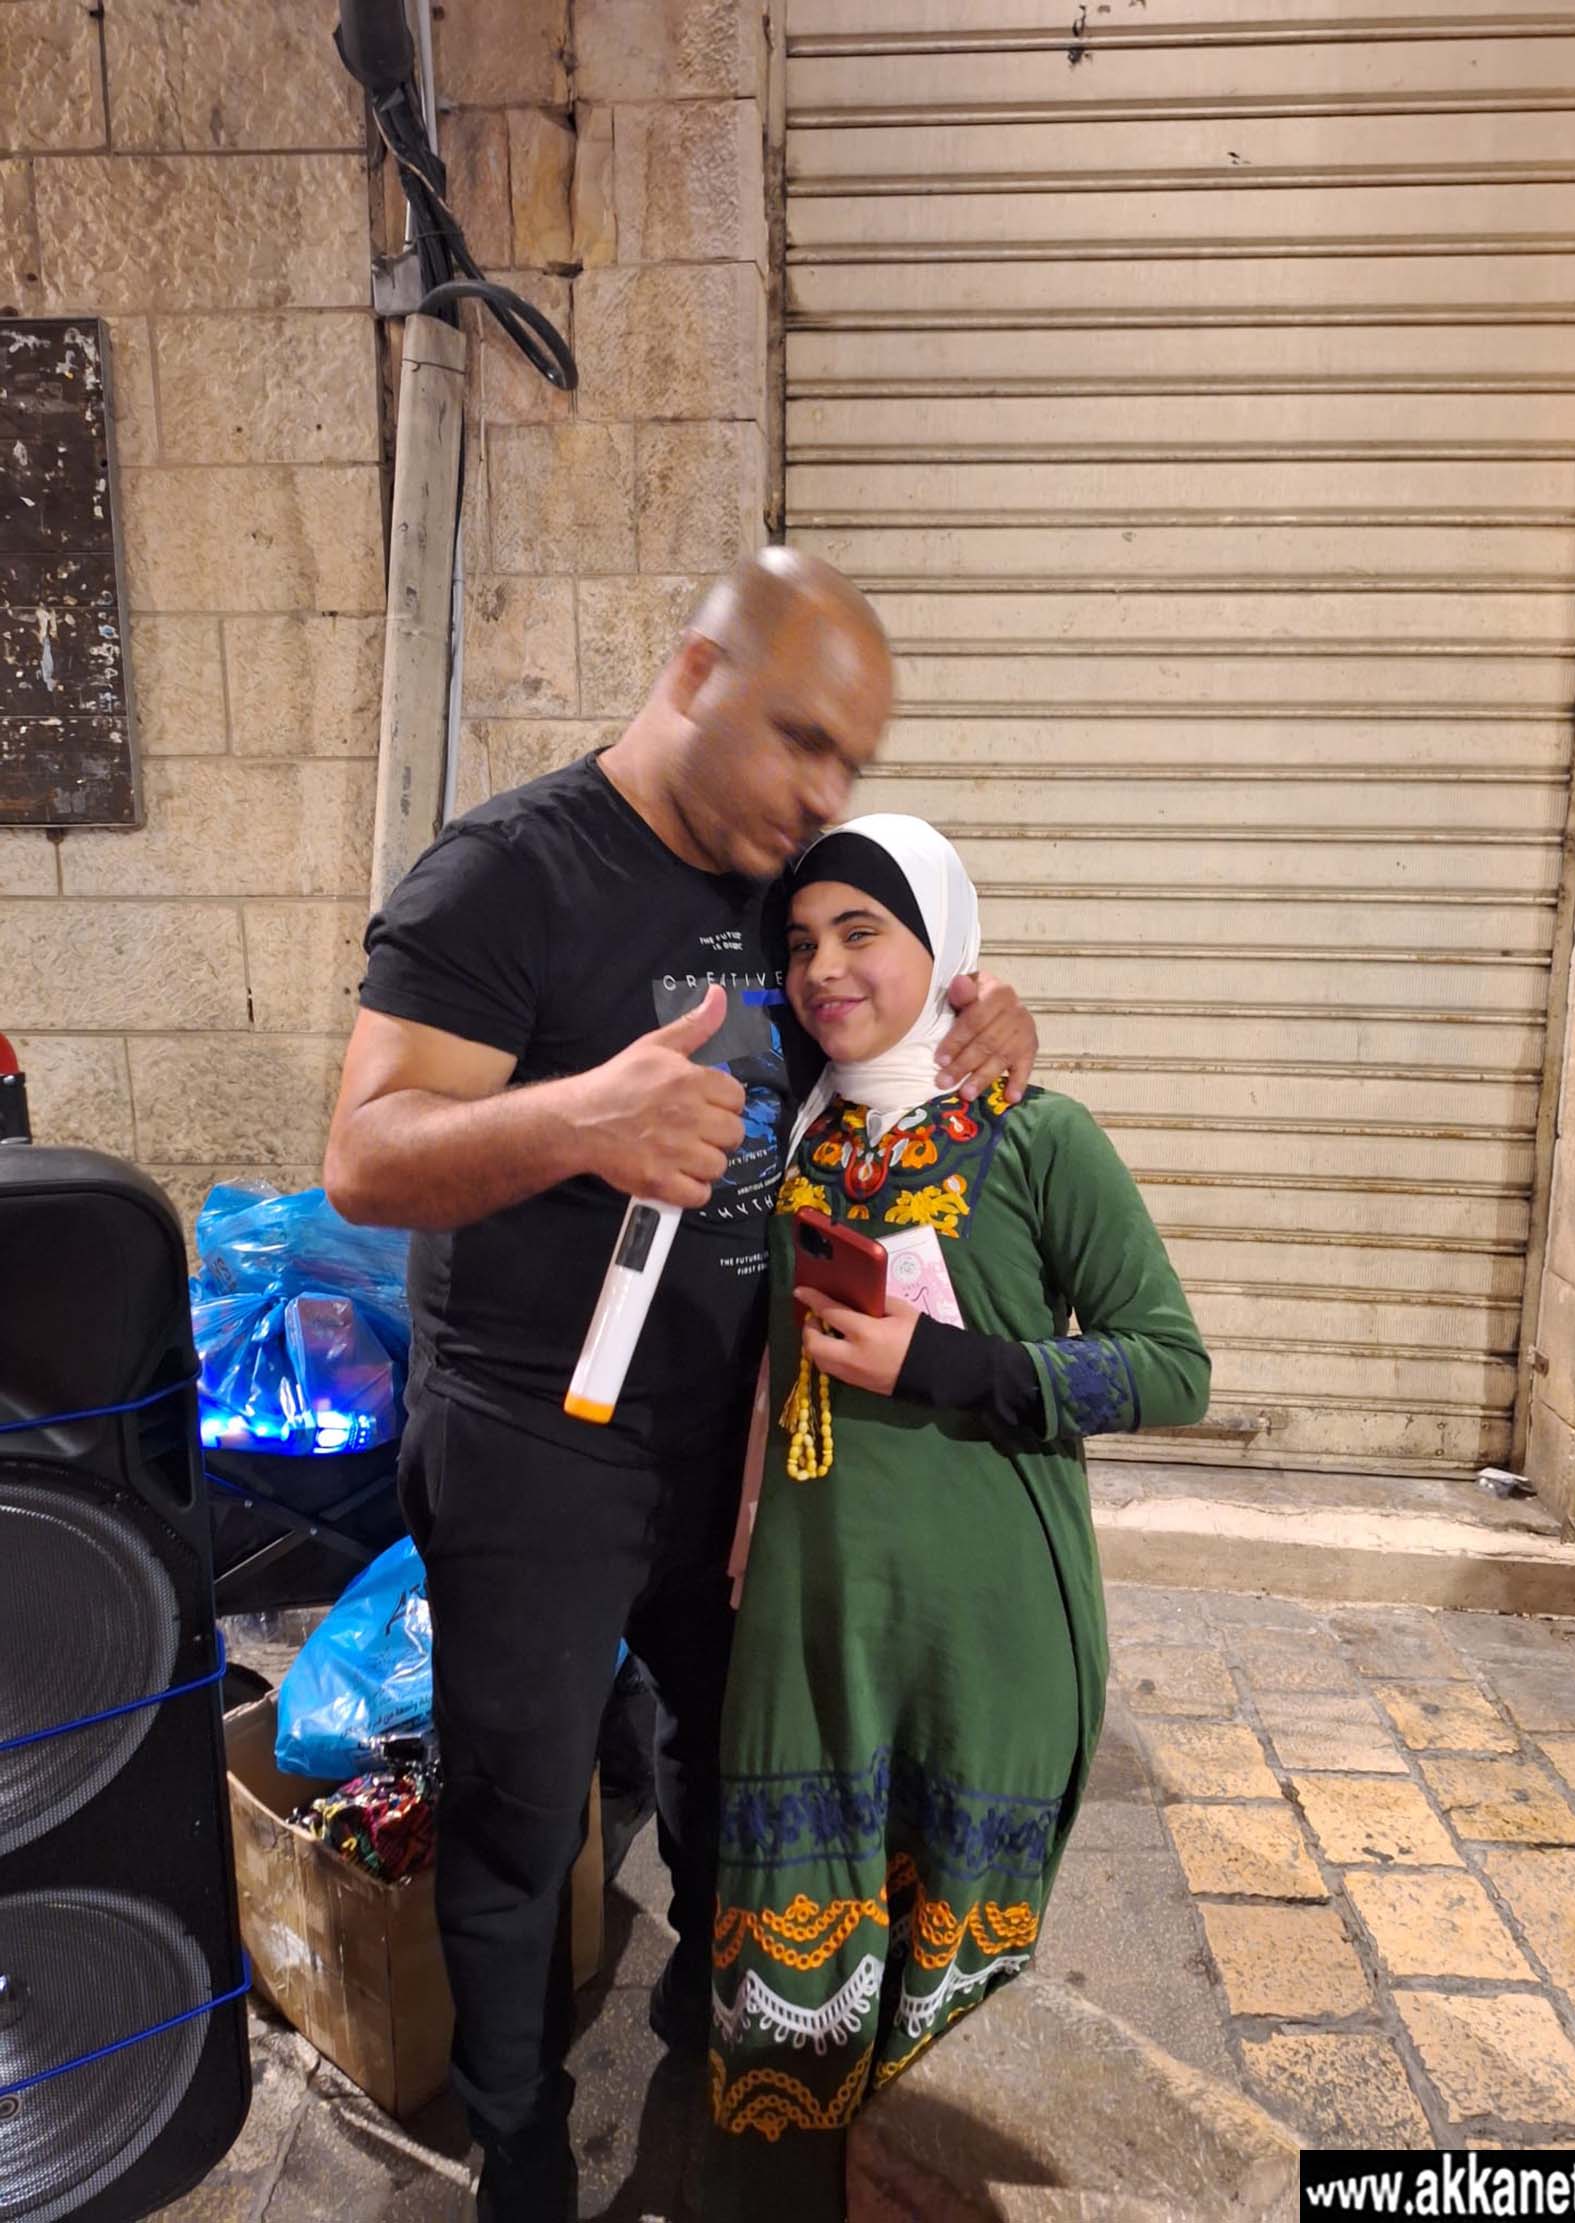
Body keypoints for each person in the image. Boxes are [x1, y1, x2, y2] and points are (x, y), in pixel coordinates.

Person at [322, 552, 1036, 2222]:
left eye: (853, 761)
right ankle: (517, 2143)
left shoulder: (783, 886)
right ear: (698, 676)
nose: (827, 793)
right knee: (519, 1819)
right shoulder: (505, 875)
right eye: (804, 740)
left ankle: (708, 2041)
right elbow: (364, 1155)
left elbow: (884, 1021)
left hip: (731, 1447)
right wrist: (582, 1121)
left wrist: (993, 1025)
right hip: (533, 1454)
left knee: (733, 1769)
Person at [708, 815, 1210, 2218]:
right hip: (811, 1625)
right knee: (791, 1984)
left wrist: (944, 1364)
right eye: (801, 943)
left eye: (862, 932)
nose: (824, 968)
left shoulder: (1040, 1136)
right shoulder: (794, 1132)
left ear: (944, 947)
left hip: (986, 1635)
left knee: (952, 2029)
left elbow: (1173, 1368)